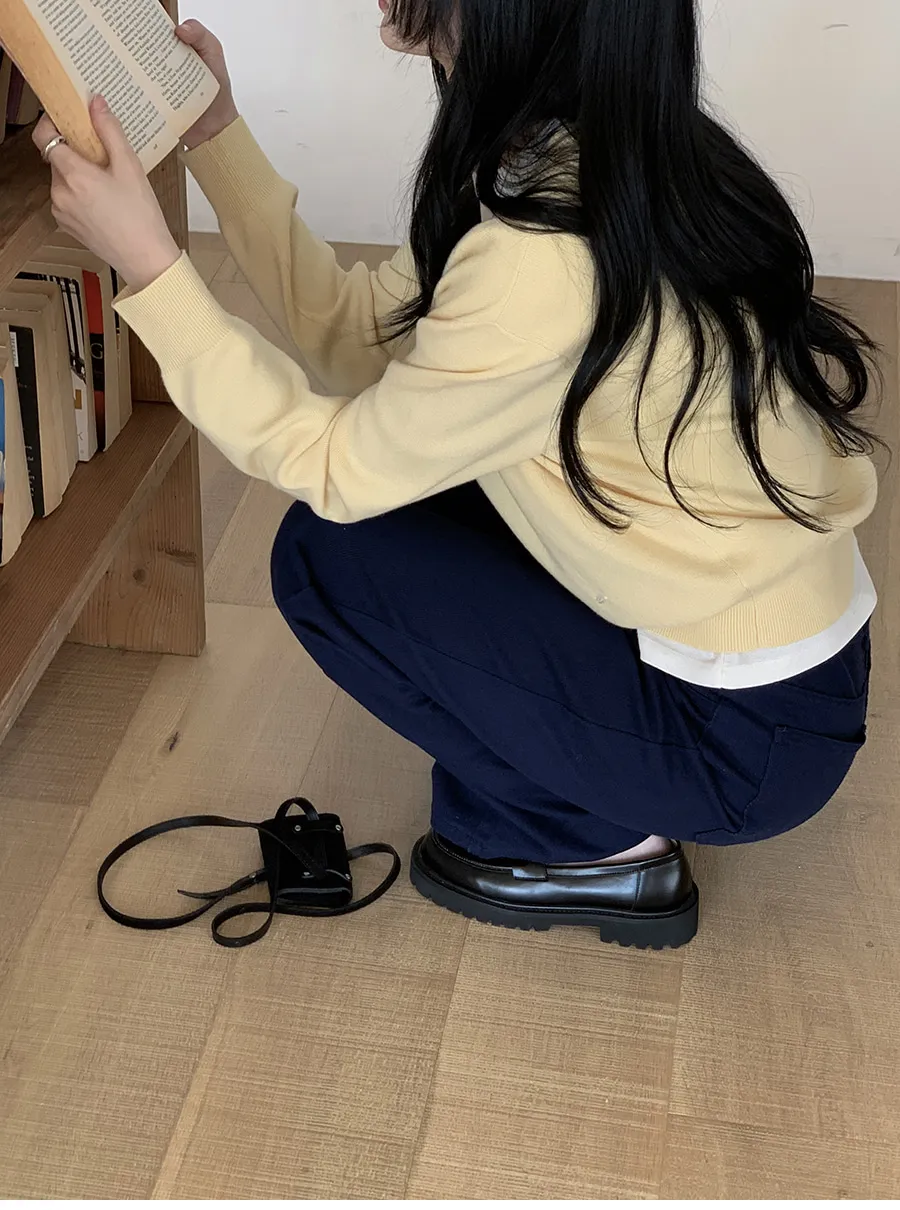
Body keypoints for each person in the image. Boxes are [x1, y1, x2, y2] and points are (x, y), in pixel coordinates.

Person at [34, 0, 879, 950]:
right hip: (774, 667)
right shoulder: (583, 151)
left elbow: (335, 470)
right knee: (407, 494)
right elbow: (366, 342)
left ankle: (600, 847)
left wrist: (150, 268)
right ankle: (598, 785)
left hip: (739, 739)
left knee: (329, 559)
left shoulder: (541, 253)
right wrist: (216, 139)